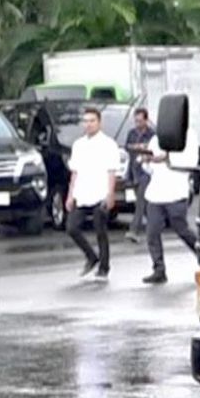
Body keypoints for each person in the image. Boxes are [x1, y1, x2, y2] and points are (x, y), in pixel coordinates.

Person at [65, 107, 121, 281]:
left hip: (100, 193)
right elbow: (75, 172)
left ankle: (104, 267)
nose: (88, 124)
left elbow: (112, 171)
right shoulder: (78, 145)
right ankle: (91, 256)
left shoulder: (108, 144)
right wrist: (70, 195)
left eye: (92, 121)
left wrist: (110, 194)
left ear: (99, 122)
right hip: (82, 193)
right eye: (86, 121)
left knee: (100, 230)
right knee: (72, 227)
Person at [141, 127, 199, 284]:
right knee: (152, 232)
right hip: (155, 193)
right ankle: (159, 269)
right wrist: (147, 160)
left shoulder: (188, 136)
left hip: (176, 192)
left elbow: (190, 163)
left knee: (182, 229)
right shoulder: (156, 139)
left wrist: (166, 158)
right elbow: (150, 169)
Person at [123, 107, 155, 243]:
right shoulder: (132, 133)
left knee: (140, 202)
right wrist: (135, 147)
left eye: (140, 121)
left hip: (146, 171)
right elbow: (127, 146)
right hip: (134, 171)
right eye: (136, 121)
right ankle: (155, 226)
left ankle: (134, 230)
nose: (137, 124)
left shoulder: (152, 134)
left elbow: (155, 150)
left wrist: (144, 148)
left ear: (146, 120)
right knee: (145, 204)